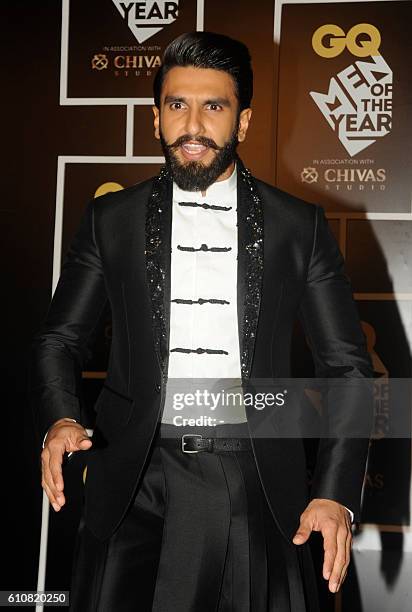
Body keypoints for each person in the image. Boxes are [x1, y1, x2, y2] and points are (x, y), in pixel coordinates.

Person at [31, 31, 373, 611]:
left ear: (241, 122)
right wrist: (62, 417)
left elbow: (348, 369)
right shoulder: (110, 218)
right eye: (176, 105)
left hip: (252, 478)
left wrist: (335, 494)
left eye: (213, 106)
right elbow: (59, 339)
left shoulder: (298, 226)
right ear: (156, 119)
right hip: (133, 485)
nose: (193, 126)